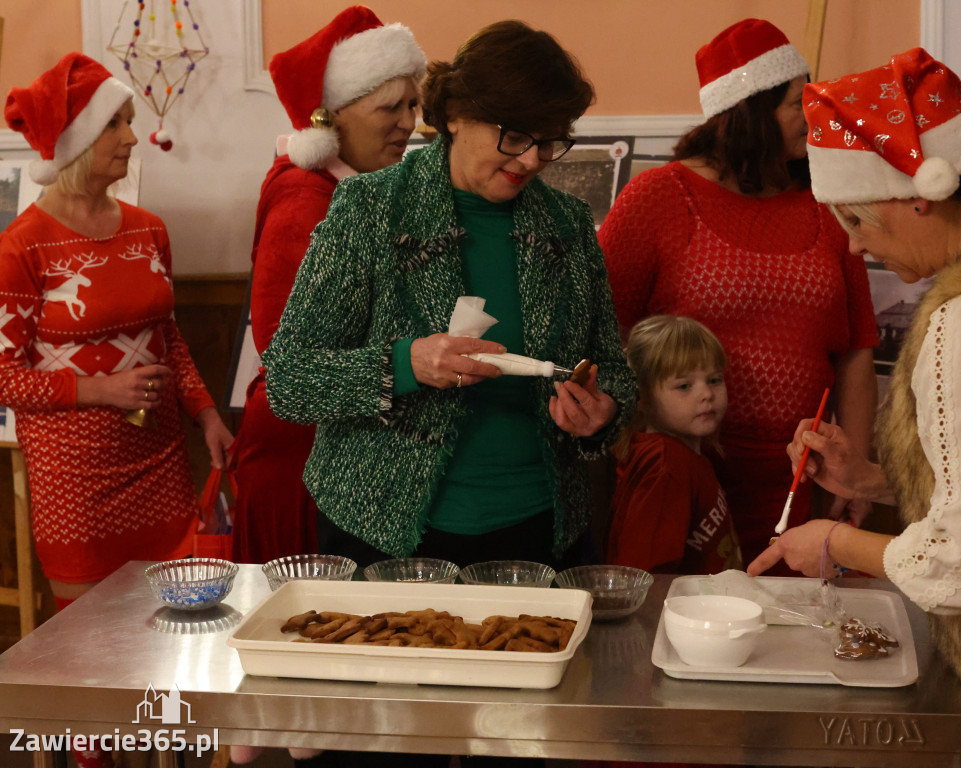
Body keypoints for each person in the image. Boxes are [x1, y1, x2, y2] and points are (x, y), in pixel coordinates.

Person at [263, 18, 633, 581]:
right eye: (514, 136)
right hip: (383, 530)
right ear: (455, 115)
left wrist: (601, 413)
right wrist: (404, 364)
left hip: (535, 530)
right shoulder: (369, 209)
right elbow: (289, 380)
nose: (532, 160)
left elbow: (613, 370)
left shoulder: (569, 225)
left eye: (551, 139)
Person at [747, 48, 961, 767]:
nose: (855, 243)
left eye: (858, 217)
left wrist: (832, 545)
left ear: (918, 194)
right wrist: (870, 480)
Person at [1, 53, 233, 768]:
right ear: (77, 140)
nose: (133, 137)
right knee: (90, 655)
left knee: (162, 640)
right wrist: (97, 391)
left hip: (161, 463)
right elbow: (4, 374)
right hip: (77, 481)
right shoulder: (20, 249)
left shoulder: (148, 228)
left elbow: (169, 341)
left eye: (130, 121)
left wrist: (206, 415)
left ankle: (163, 752)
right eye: (117, 124)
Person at [598, 19, 878, 567]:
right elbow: (606, 332)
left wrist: (856, 470)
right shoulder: (658, 198)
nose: (812, 116)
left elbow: (857, 351)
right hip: (684, 476)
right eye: (797, 103)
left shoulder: (827, 203)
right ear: (748, 114)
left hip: (804, 481)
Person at [231, 5, 426, 565]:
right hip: (305, 458)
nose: (408, 122)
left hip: (341, 443)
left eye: (413, 103)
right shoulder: (304, 201)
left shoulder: (360, 189)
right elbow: (286, 350)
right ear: (327, 120)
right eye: (389, 107)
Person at [607, 315, 741, 574]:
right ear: (643, 398)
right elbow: (645, 575)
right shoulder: (665, 464)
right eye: (684, 386)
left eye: (714, 379)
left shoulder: (682, 456)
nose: (706, 394)